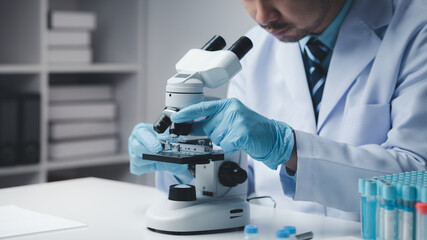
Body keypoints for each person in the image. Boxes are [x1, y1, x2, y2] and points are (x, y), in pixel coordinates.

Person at [128, 0, 427, 220]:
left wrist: (287, 147)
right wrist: (190, 168)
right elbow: (244, 183)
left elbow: (418, 176)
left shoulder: (416, 30)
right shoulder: (256, 51)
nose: (262, 15)